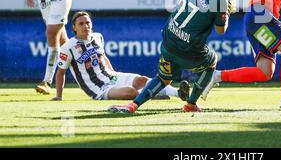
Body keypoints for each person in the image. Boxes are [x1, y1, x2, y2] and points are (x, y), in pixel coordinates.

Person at [108, 0, 244, 113]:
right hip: (189, 48)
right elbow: (221, 30)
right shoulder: (221, 0)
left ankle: (133, 105)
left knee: (163, 78)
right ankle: (191, 104)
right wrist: (227, 12)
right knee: (211, 61)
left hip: (169, 38)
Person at [51, 11, 190, 101]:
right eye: (81, 24)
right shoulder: (67, 47)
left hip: (111, 76)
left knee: (141, 80)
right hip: (98, 88)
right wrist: (58, 96)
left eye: (88, 23)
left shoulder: (98, 37)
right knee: (130, 92)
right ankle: (154, 94)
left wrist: (113, 72)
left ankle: (178, 93)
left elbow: (103, 57)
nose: (85, 26)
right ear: (74, 27)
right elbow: (60, 72)